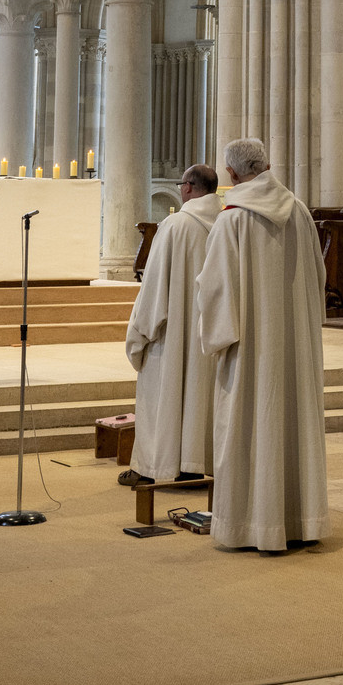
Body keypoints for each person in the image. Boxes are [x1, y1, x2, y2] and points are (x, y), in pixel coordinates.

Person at [196, 136, 328, 551]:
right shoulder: (301, 212)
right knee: (292, 423)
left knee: (251, 422)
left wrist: (216, 337)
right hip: (293, 344)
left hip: (251, 348)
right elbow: (319, 278)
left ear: (232, 174)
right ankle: (301, 521)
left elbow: (214, 291)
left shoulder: (232, 220)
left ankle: (249, 525)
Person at [125, 163, 224, 484]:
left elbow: (153, 289)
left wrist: (139, 334)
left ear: (187, 188)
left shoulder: (175, 226)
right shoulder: (228, 223)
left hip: (172, 336)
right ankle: (197, 465)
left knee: (163, 397)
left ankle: (155, 468)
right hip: (214, 334)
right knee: (202, 399)